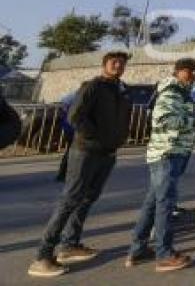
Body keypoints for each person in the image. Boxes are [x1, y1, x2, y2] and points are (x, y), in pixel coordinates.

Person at [28, 51, 131, 278]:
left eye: (122, 63)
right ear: (104, 65)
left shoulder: (121, 91)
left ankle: (69, 244)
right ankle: (42, 256)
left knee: (88, 198)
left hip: (107, 153)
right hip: (86, 152)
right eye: (114, 62)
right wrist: (95, 137)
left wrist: (118, 139)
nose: (118, 65)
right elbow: (75, 116)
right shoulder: (92, 86)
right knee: (70, 200)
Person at [126, 57, 195, 272]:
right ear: (177, 72)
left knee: (153, 202)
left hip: (171, 152)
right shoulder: (170, 92)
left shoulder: (181, 93)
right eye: (188, 71)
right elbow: (164, 120)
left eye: (194, 71)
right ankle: (164, 254)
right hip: (167, 153)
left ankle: (137, 248)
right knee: (165, 203)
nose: (193, 75)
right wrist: (193, 121)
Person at [55, 91, 78, 182]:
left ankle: (63, 174)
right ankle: (65, 174)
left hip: (68, 128)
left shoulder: (71, 97)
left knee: (70, 152)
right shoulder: (78, 99)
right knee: (72, 152)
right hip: (74, 129)